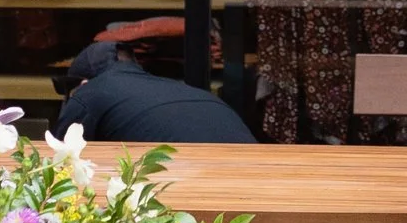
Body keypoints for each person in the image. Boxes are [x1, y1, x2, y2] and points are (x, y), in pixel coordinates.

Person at [52, 22, 257, 150]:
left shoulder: (92, 91)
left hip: (200, 185)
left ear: (83, 84)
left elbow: (62, 158)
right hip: (260, 173)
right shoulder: (178, 90)